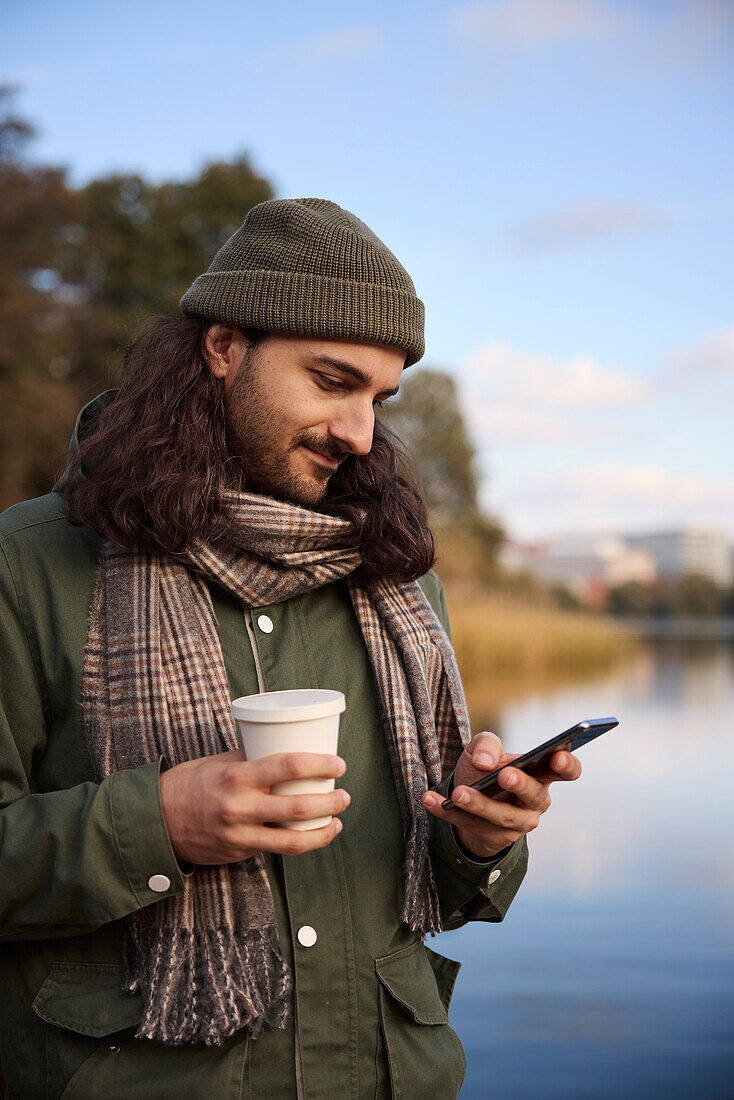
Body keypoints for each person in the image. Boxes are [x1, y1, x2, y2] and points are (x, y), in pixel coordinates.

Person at [0, 197, 581, 1099]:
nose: (360, 434)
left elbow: (436, 889)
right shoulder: (28, 564)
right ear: (225, 347)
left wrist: (477, 838)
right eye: (331, 380)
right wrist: (158, 826)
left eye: (379, 399)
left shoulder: (397, 581)